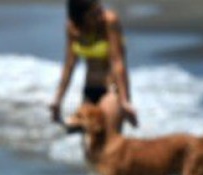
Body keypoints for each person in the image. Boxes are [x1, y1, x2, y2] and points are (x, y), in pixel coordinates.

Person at [50, 0, 138, 133]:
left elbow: (117, 61)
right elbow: (69, 65)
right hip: (90, 89)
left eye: (100, 10)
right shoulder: (73, 28)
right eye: (94, 14)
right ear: (81, 17)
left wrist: (125, 100)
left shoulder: (110, 21)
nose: (100, 16)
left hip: (112, 89)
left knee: (108, 140)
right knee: (87, 142)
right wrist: (58, 100)